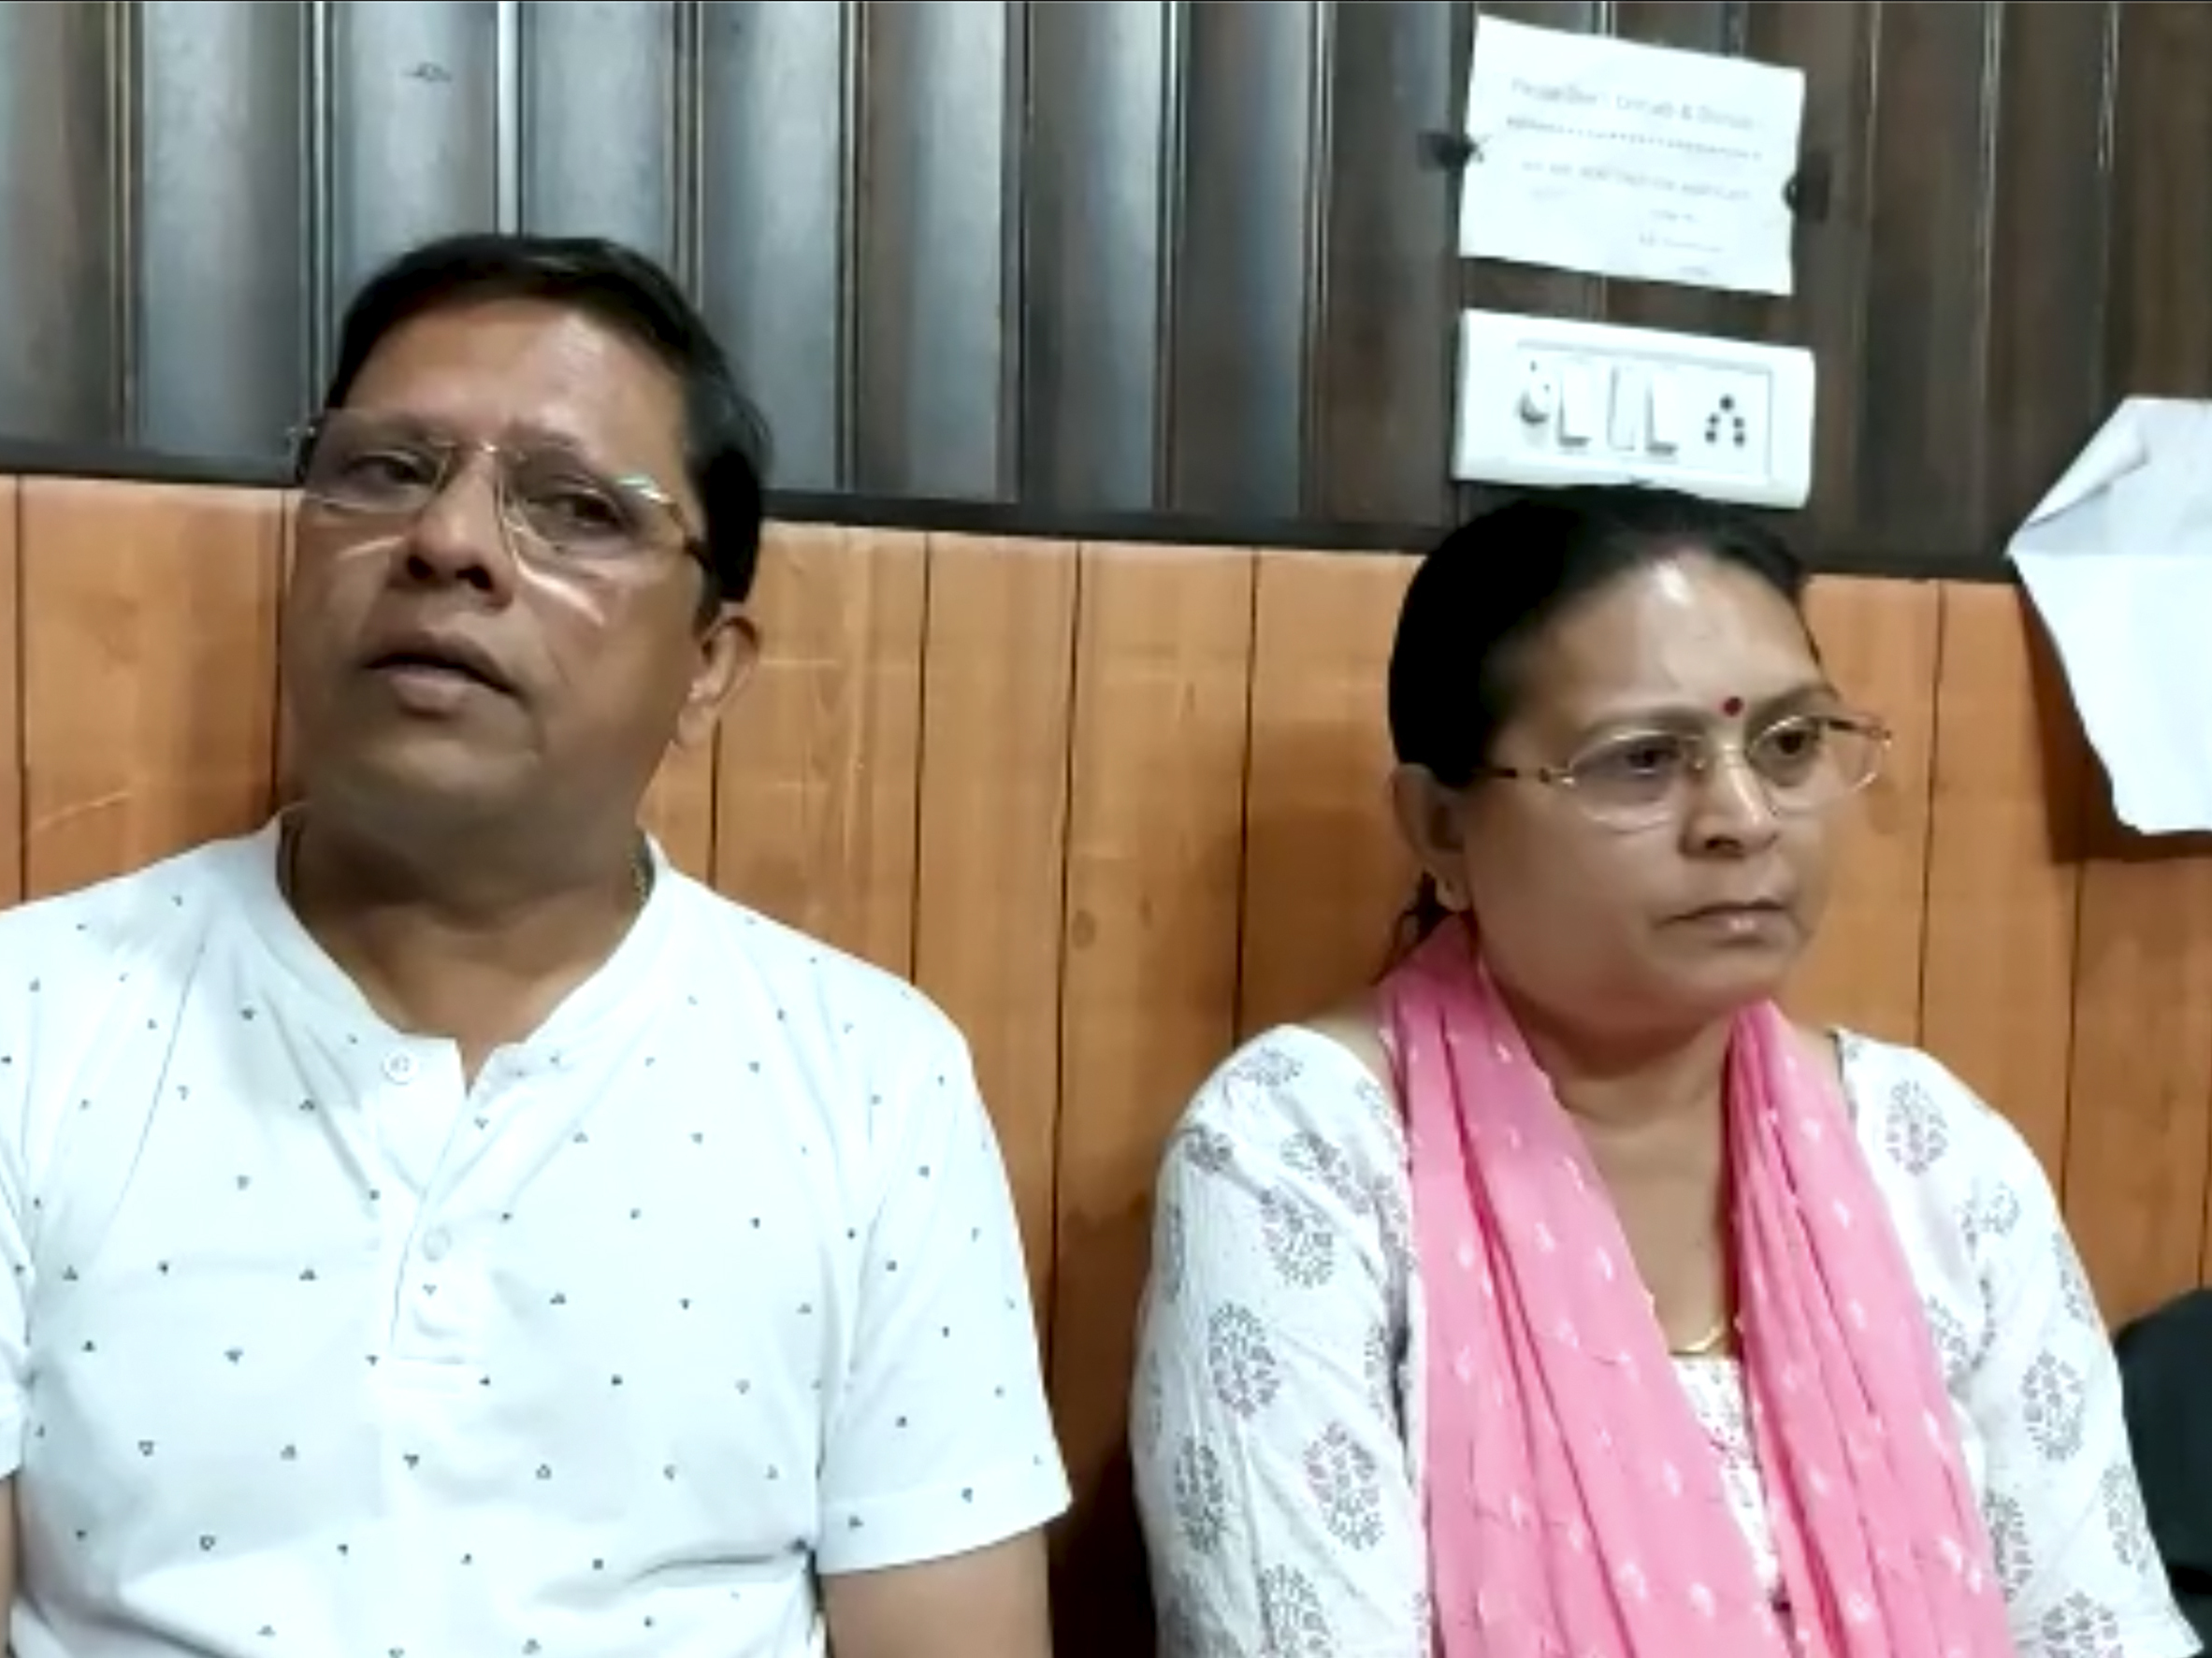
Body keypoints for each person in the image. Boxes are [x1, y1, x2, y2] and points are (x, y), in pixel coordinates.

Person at [0, 233, 1066, 1657]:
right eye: (382, 471)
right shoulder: (34, 1019)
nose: (447, 541)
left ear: (707, 668)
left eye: (573, 507)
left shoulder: (873, 1083)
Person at [1130, 485, 2197, 1658]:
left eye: (1788, 745)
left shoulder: (1930, 1158)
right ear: (1441, 830)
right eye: (1642, 762)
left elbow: (2097, 1629)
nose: (1742, 816)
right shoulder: (1304, 1157)